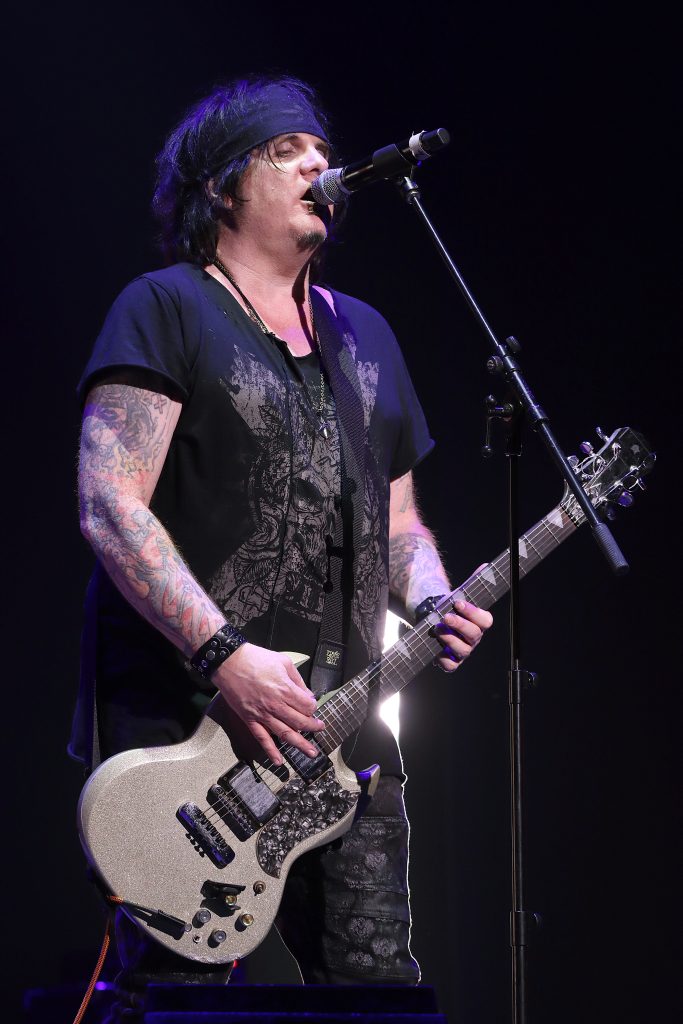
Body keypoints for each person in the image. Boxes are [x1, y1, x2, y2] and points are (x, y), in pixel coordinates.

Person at [71, 74, 492, 1019]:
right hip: (187, 737)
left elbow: (401, 525)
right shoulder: (165, 307)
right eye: (284, 151)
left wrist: (431, 596)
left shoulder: (364, 334)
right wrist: (224, 655)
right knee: (175, 1000)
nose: (317, 165)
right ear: (222, 187)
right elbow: (109, 504)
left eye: (321, 150)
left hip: (343, 735)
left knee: (378, 994)